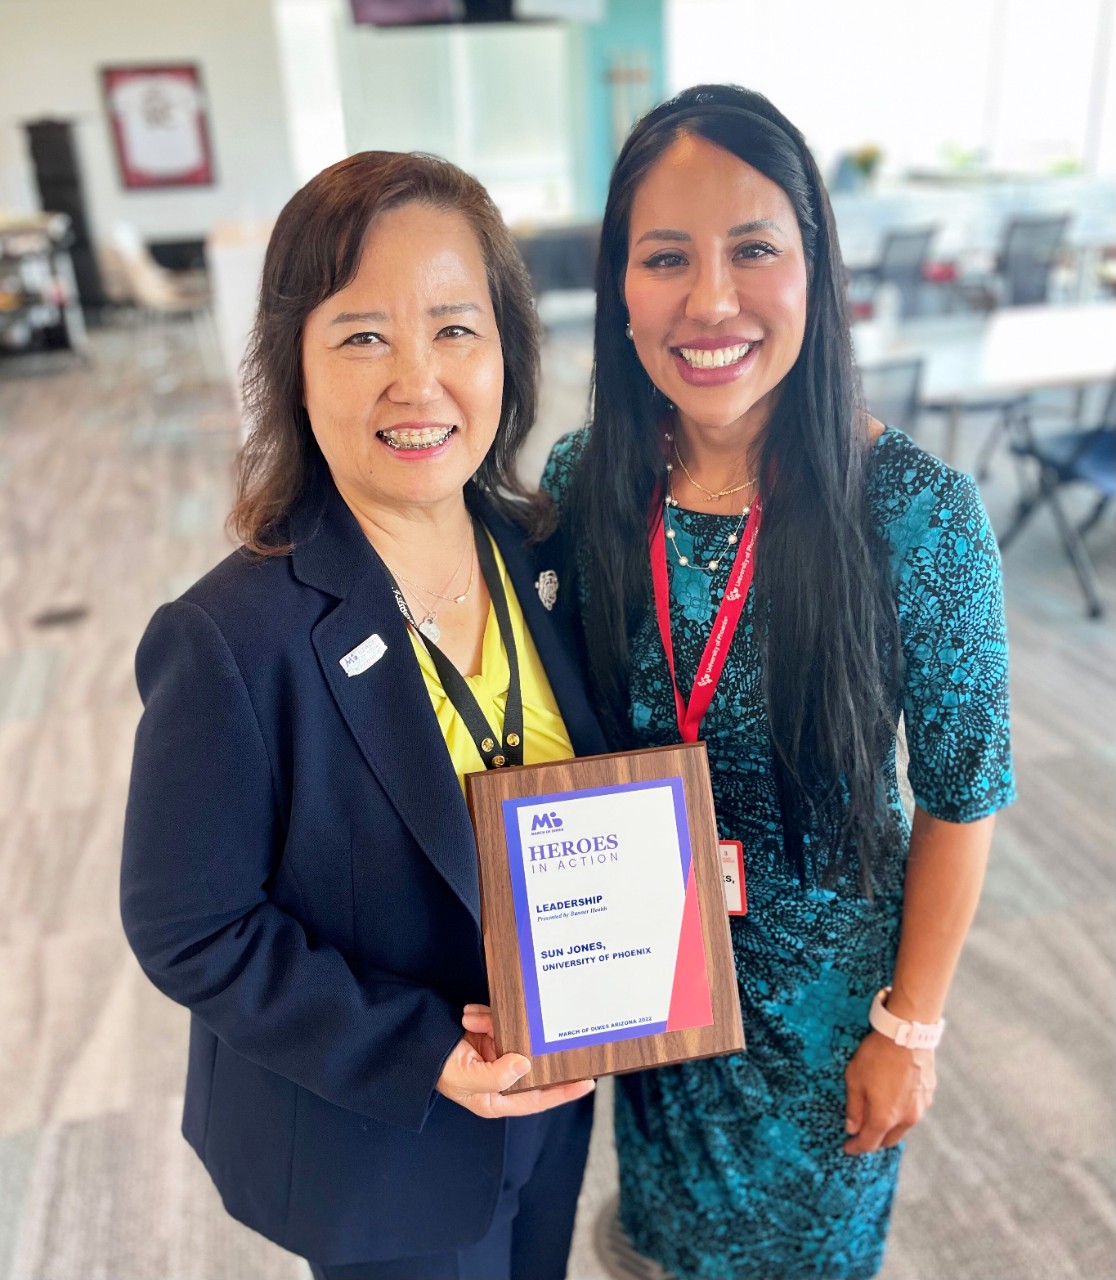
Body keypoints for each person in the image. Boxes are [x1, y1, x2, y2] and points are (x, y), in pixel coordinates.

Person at [540, 85, 1015, 1280]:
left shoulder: (916, 514)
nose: (711, 301)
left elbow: (964, 796)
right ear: (620, 287)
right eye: (666, 258)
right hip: (647, 971)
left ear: (816, 265)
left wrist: (911, 1026)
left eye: (755, 249)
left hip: (830, 1014)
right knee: (657, 1242)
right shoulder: (587, 476)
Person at [120, 151, 605, 1280]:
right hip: (380, 1150)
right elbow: (190, 927)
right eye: (362, 337)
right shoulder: (232, 640)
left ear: (507, 352)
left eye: (453, 328)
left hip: (555, 1110)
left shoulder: (547, 559)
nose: (417, 382)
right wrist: (424, 1046)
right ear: (293, 364)